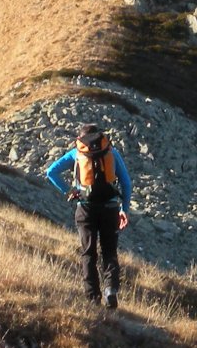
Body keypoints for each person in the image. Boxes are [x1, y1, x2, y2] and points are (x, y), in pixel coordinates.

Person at [44, 123, 133, 310]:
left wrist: (69, 191)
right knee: (109, 252)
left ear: (81, 138)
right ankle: (111, 290)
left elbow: (51, 172)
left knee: (88, 252)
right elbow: (126, 183)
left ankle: (92, 297)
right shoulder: (111, 152)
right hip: (110, 208)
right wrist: (124, 209)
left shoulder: (76, 153)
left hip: (85, 208)